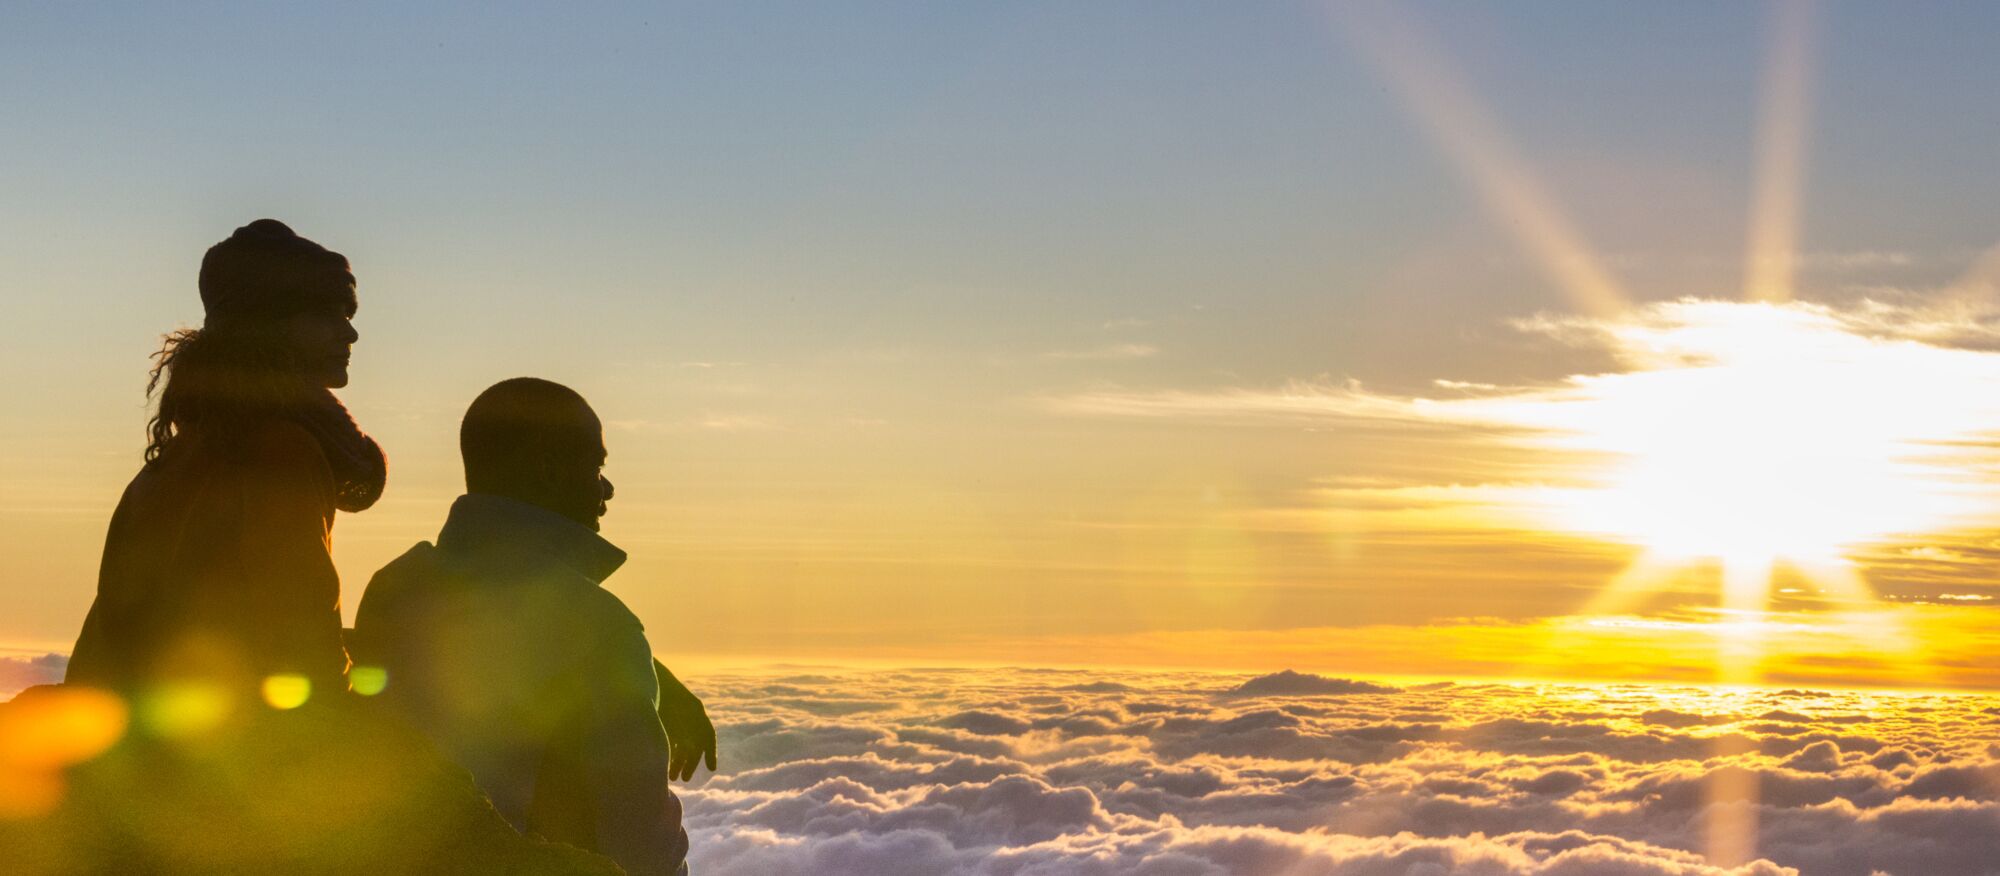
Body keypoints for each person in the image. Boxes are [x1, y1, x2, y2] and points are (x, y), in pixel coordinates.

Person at [351, 377, 711, 876]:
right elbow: (639, 840)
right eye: (597, 466)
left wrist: (655, 678)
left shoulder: (394, 586)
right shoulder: (598, 628)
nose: (607, 488)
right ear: (548, 471)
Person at [66, 219, 382, 697]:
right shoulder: (279, 450)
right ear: (269, 324)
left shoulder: (177, 456)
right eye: (326, 313)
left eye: (348, 312)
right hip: (228, 746)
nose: (350, 332)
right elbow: (304, 639)